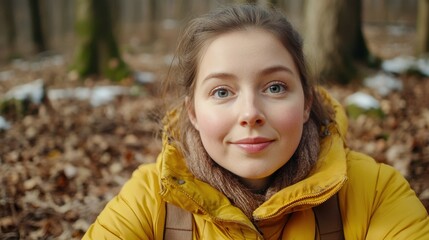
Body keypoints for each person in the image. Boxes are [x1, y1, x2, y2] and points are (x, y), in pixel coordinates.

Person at [83, 4, 429, 239]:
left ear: (307, 102)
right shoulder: (151, 198)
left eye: (275, 87)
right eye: (222, 92)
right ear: (193, 113)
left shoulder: (376, 192)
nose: (250, 113)